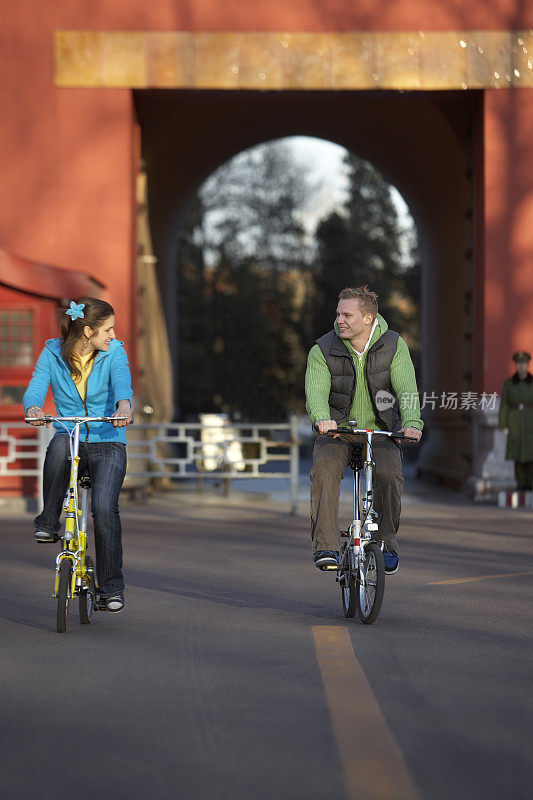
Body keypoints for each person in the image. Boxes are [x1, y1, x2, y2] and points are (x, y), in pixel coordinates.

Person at [23, 298, 133, 613]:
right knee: (57, 446)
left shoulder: (115, 352)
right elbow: (34, 389)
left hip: (107, 438)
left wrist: (123, 407)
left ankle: (111, 589)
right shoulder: (51, 353)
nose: (112, 334)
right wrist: (33, 407)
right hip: (70, 434)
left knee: (104, 508)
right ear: (87, 331)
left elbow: (123, 386)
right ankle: (47, 522)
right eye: (107, 329)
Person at [305, 286, 423, 574]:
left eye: (347, 315)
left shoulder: (394, 345)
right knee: (324, 472)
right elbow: (316, 390)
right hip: (336, 431)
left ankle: (385, 543)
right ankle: (326, 545)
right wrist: (322, 417)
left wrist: (412, 422)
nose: (339, 320)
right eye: (338, 314)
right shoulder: (322, 348)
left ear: (368, 318)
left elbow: (406, 388)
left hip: (380, 430)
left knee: (390, 475)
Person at [499, 351, 533, 491]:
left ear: (527, 365)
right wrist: (504, 424)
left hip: (530, 419)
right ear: (516, 365)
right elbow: (504, 404)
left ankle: (530, 484)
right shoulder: (509, 384)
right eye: (518, 364)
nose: (521, 367)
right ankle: (520, 483)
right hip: (514, 420)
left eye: (523, 364)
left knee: (530, 455)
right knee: (517, 454)